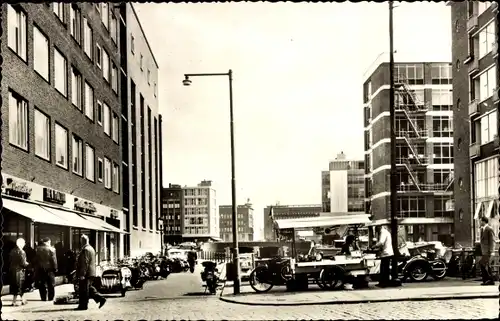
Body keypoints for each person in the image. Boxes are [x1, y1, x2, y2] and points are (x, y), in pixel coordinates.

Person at [75, 235, 106, 311]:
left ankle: (83, 306)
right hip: (91, 272)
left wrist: (82, 274)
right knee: (88, 288)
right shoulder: (91, 248)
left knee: (84, 290)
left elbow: (84, 263)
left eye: (81, 240)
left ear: (82, 241)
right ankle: (100, 298)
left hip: (86, 273)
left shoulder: (85, 249)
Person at [35, 237, 58, 301]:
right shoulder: (52, 249)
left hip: (40, 269)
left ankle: (43, 297)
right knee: (51, 284)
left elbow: (36, 260)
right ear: (48, 242)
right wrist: (55, 268)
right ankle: (50, 297)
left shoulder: (38, 249)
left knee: (42, 284)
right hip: (50, 269)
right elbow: (54, 260)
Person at [9, 238, 29, 306]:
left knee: (16, 286)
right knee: (20, 286)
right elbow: (23, 263)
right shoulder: (22, 252)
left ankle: (22, 300)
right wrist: (27, 264)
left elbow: (10, 260)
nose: (24, 244)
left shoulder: (12, 251)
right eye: (24, 243)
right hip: (19, 271)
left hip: (13, 270)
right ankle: (15, 302)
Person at [479, 217, 495, 286]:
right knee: (486, 265)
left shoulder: (489, 229)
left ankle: (488, 280)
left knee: (482, 264)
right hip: (484, 251)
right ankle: (489, 280)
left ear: (484, 221)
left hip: (488, 251)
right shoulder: (483, 229)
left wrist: (492, 251)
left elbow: (492, 241)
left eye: (481, 221)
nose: (480, 223)